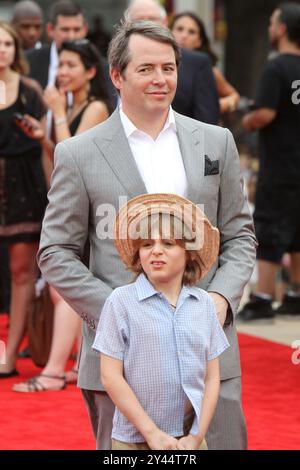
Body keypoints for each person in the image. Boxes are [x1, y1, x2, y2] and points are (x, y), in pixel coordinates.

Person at [37, 20, 256, 450]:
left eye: (169, 68)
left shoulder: (216, 142)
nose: (161, 79)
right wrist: (120, 314)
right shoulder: (79, 153)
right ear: (117, 75)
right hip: (121, 362)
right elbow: (56, 252)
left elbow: (240, 236)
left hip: (209, 352)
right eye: (147, 69)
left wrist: (221, 300)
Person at [92, 193, 229, 451]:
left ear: (189, 252)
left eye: (168, 243)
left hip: (189, 441)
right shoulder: (121, 302)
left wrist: (197, 436)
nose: (156, 251)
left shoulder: (203, 304)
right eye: (146, 244)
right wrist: (151, 433)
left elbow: (212, 377)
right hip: (134, 440)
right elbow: (110, 376)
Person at [12, 38, 110, 392]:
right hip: (72, 204)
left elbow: (76, 158)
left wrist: (57, 116)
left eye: (71, 65)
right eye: (61, 65)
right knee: (63, 286)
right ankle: (71, 365)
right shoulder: (74, 105)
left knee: (65, 287)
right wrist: (42, 138)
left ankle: (55, 371)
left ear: (90, 71)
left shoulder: (97, 107)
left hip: (90, 208)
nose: (63, 72)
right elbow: (61, 162)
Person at [240, 2, 300, 321]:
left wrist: (247, 120)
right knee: (298, 232)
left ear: (280, 29)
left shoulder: (276, 68)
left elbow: (265, 114)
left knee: (270, 226)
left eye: (271, 23)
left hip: (280, 165)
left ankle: (262, 298)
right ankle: (295, 296)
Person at [0, 21, 47, 378]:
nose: (2, 49)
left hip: (24, 186)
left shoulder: (30, 90)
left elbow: (46, 145)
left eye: (7, 43)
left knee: (22, 273)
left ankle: (10, 357)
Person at [125, 0, 220, 124]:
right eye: (139, 19)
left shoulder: (197, 63)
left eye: (168, 69)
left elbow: (208, 118)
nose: (146, 23)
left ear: (164, 23)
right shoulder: (115, 63)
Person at [170, 11, 240, 114]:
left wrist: (215, 106)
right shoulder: (159, 62)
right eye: (179, 29)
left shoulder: (206, 68)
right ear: (170, 32)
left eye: (192, 32)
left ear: (199, 41)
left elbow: (234, 96)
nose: (184, 35)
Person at [26, 0, 88, 89]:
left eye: (77, 29)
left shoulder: (100, 67)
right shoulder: (28, 62)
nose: (71, 37)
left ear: (85, 29)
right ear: (50, 29)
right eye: (65, 30)